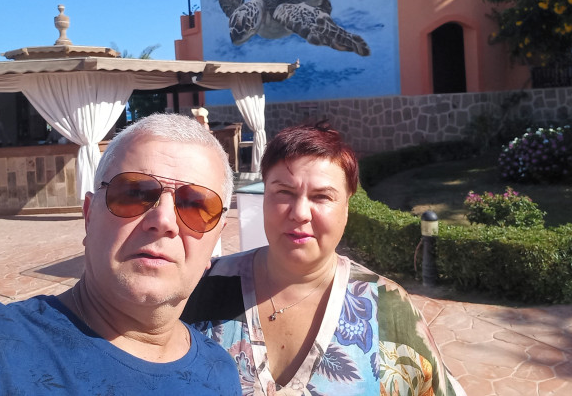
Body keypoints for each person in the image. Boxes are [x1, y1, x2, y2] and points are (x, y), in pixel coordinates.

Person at [0, 113, 241, 395]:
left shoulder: (222, 373)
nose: (163, 220)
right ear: (89, 217)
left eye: (196, 206)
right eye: (134, 193)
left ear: (215, 240)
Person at [183, 122, 466, 395]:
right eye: (284, 192)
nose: (300, 213)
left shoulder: (386, 308)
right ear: (264, 196)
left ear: (347, 208)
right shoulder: (200, 287)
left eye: (321, 197)